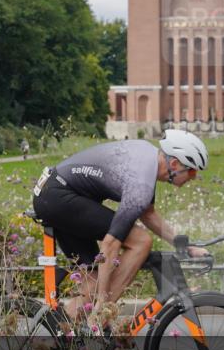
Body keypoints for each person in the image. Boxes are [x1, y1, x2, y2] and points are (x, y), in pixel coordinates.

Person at [32, 130, 210, 322]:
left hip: (53, 194)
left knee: (92, 282)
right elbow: (110, 244)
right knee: (141, 241)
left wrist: (186, 247)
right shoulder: (141, 183)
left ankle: (60, 336)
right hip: (59, 196)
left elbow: (148, 214)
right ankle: (102, 317)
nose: (194, 177)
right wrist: (102, 302)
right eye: (191, 170)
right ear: (174, 164)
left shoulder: (147, 160)